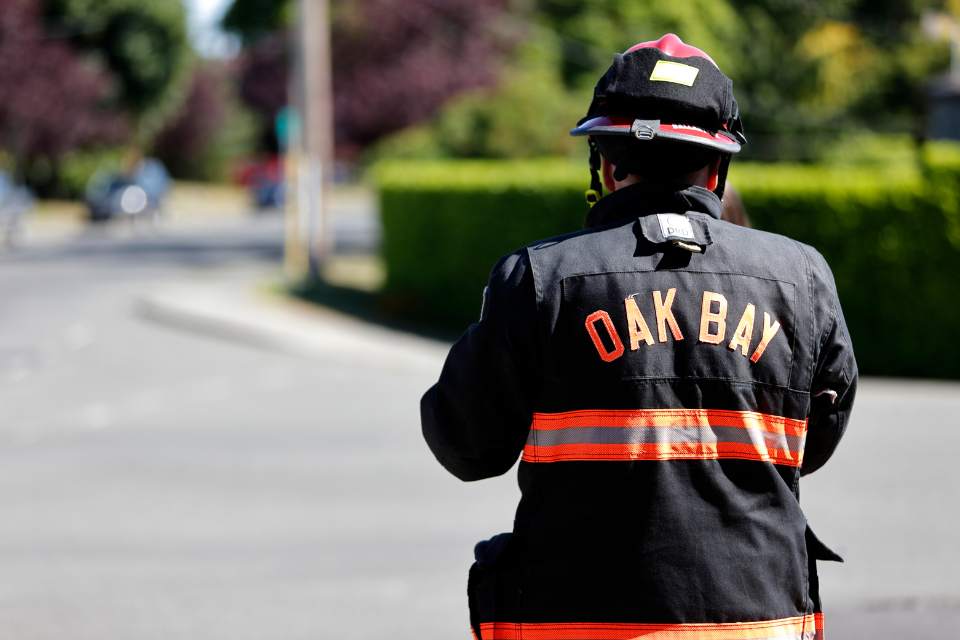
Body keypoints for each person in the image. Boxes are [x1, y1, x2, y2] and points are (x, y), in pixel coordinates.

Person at [421, 33, 856, 640]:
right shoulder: (803, 276)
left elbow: (464, 445)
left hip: (572, 623)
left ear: (605, 160)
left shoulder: (541, 278)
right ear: (717, 166)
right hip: (762, 620)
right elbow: (812, 445)